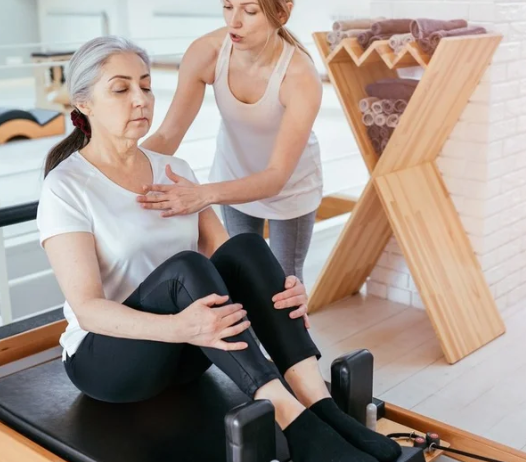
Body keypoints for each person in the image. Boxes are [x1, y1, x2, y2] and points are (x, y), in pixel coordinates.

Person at [36, 36, 401, 462]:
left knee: (246, 246)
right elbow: (88, 309)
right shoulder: (66, 187)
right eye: (121, 89)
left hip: (189, 353)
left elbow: (235, 264)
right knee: (185, 269)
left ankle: (322, 407)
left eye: (147, 86)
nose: (141, 100)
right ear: (84, 103)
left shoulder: (174, 171)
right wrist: (180, 329)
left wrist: (282, 292)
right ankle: (296, 426)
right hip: (111, 363)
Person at [138, 0, 323, 282]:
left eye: (249, 11)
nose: (233, 22)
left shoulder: (299, 77)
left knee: (285, 284)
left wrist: (204, 194)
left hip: (290, 189)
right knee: (243, 276)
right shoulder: (207, 52)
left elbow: (275, 178)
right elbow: (168, 135)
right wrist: (114, 167)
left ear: (282, 13)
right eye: (227, 6)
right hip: (233, 177)